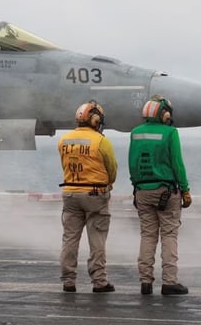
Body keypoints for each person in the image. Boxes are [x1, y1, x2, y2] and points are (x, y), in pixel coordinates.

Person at [128, 95, 192, 296]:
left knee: (147, 236)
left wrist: (136, 187)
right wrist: (186, 189)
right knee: (169, 235)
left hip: (142, 191)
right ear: (164, 113)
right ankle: (169, 282)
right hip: (166, 192)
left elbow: (132, 163)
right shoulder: (170, 132)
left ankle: (145, 282)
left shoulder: (135, 133)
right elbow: (177, 164)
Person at [57, 101, 117, 293]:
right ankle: (99, 282)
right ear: (95, 119)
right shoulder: (101, 141)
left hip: (70, 193)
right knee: (97, 239)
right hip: (95, 195)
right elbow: (112, 169)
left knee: (70, 239)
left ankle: (68, 281)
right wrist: (108, 183)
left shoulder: (63, 140)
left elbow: (65, 165)